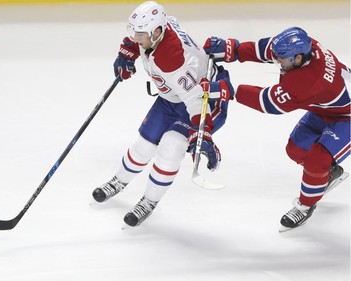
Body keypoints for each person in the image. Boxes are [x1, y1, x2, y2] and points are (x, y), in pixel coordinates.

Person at [92, 1, 234, 227]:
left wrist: (202, 132)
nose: (136, 38)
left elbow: (195, 99)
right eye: (134, 32)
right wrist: (127, 52)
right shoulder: (157, 29)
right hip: (173, 95)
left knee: (171, 146)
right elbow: (143, 35)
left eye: (140, 35)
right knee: (143, 145)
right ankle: (119, 181)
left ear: (157, 32)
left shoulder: (171, 59)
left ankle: (149, 201)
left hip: (204, 99)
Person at [202, 27, 350, 231]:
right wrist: (232, 50)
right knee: (296, 149)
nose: (277, 61)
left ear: (298, 58)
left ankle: (305, 205)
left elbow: (269, 102)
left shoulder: (309, 82)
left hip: (346, 118)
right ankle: (330, 173)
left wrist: (231, 91)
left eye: (282, 59)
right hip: (326, 107)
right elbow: (266, 49)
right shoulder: (304, 48)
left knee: (318, 160)